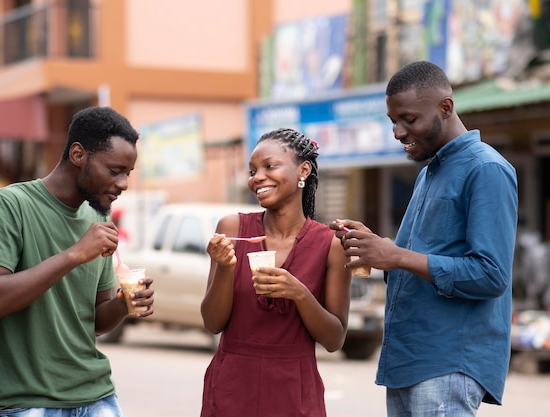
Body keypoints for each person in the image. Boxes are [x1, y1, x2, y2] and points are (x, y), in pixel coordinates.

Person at [331, 61, 518, 416]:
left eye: (409, 119)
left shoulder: (486, 169)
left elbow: (491, 275)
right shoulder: (429, 173)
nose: (399, 132)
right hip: (408, 360)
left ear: (445, 107)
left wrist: (396, 256)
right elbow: (415, 264)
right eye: (393, 122)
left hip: (448, 362)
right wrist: (375, 250)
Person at [0, 106, 153, 417]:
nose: (123, 183)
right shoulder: (8, 206)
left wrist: (124, 304)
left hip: (96, 396)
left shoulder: (97, 219)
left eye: (128, 173)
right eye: (114, 170)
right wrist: (74, 255)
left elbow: (94, 321)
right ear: (78, 155)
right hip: (24, 400)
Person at [200, 127, 352, 417]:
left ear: (303, 170)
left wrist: (299, 293)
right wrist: (224, 266)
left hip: (295, 392)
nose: (257, 177)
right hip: (233, 387)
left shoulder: (330, 244)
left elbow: (334, 340)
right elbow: (212, 322)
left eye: (269, 166)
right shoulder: (233, 229)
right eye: (252, 170)